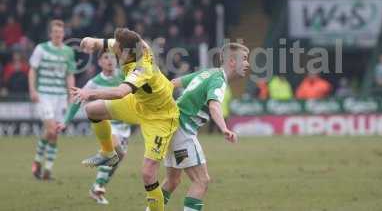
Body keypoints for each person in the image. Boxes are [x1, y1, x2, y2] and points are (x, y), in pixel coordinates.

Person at [71, 28, 179, 211]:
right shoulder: (130, 48)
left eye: (117, 48)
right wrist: (90, 39)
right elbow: (104, 43)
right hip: (139, 104)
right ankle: (108, 153)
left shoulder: (142, 67)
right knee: (92, 111)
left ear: (126, 51)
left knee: (148, 173)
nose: (114, 51)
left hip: (160, 117)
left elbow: (120, 92)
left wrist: (91, 92)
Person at [159, 43, 249, 211]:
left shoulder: (208, 73)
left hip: (171, 126)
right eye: (244, 59)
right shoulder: (219, 79)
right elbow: (214, 106)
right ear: (231, 62)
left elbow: (172, 83)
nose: (247, 64)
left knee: (172, 181)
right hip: (182, 129)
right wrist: (225, 129)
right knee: (202, 180)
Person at [59, 52, 132, 205]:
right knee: (113, 152)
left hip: (124, 125)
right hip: (106, 124)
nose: (110, 60)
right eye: (106, 58)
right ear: (99, 62)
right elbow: (78, 99)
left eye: (112, 57)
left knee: (119, 156)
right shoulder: (94, 82)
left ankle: (97, 187)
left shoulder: (124, 76)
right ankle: (99, 186)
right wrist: (66, 121)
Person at [30, 20, 76, 180]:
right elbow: (33, 70)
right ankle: (39, 162)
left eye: (60, 32)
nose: (58, 34)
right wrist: (32, 90)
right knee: (50, 130)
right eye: (55, 32)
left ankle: (46, 168)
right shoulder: (41, 48)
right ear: (50, 33)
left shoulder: (69, 52)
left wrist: (71, 94)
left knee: (54, 133)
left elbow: (70, 74)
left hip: (60, 97)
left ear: (63, 34)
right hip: (44, 95)